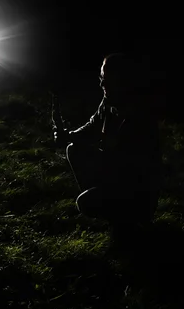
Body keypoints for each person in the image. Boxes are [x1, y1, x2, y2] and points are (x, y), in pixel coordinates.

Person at [54, 53, 162, 237]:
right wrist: (70, 136)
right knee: (74, 149)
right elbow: (92, 126)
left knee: (86, 202)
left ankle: (129, 221)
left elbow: (135, 169)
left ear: (125, 81)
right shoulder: (109, 102)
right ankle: (113, 213)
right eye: (102, 78)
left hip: (136, 189)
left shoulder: (139, 117)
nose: (102, 85)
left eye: (108, 80)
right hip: (116, 171)